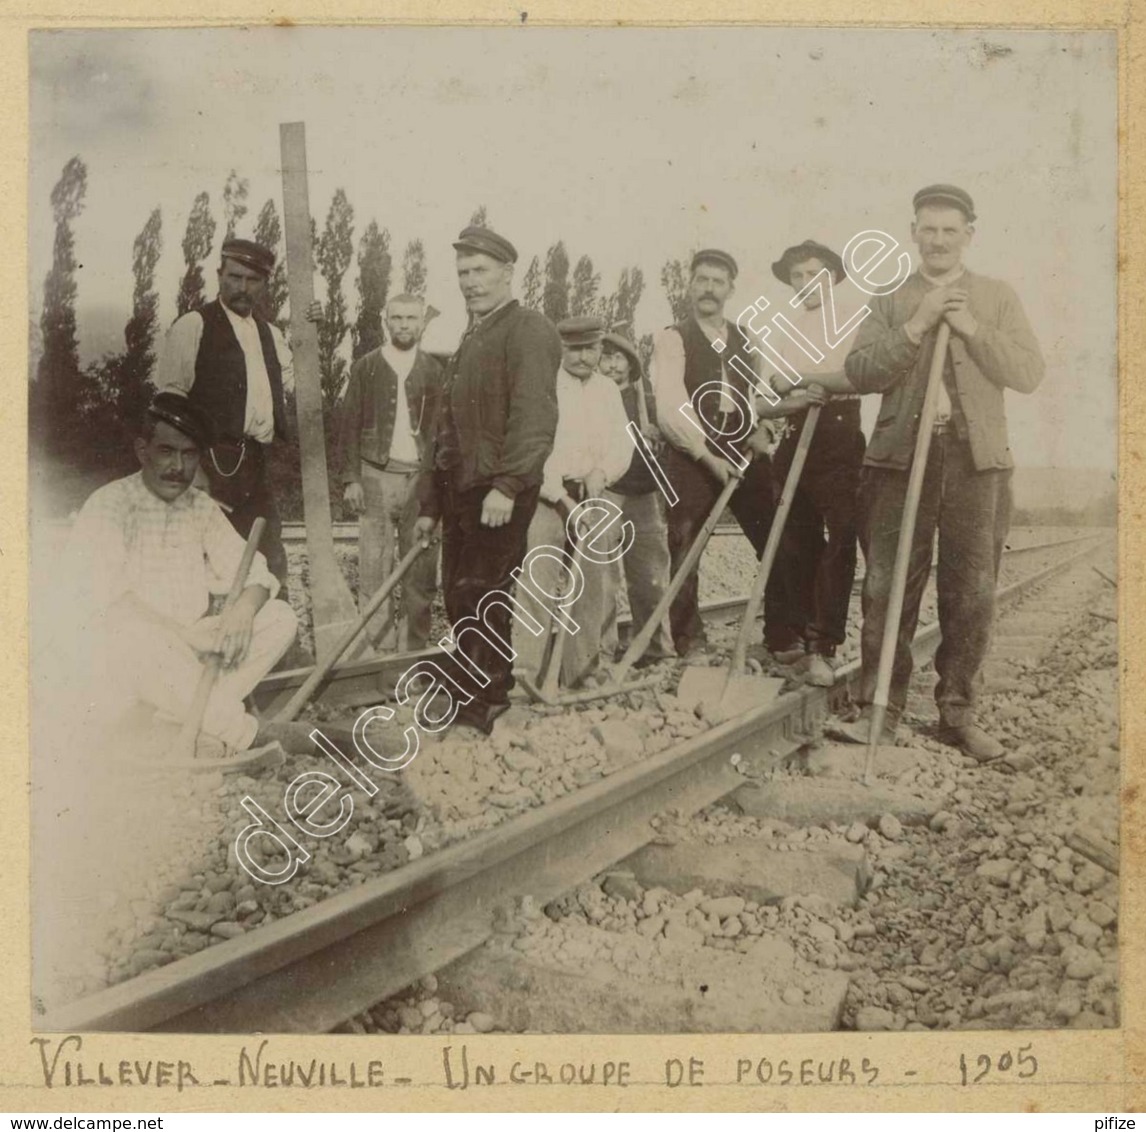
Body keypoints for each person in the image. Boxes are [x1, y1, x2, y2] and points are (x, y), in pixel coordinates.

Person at [836, 184, 1045, 761]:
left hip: (976, 464)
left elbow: (1029, 372)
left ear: (969, 235)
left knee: (971, 590)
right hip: (899, 461)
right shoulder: (890, 299)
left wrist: (973, 328)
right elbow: (860, 371)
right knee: (884, 587)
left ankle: (957, 713)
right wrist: (917, 324)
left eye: (950, 230)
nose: (938, 240)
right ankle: (880, 709)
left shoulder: (996, 297)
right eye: (928, 229)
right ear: (913, 233)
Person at [63, 392, 301, 760]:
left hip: (189, 649)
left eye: (189, 454)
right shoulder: (109, 506)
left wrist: (242, 611)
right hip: (130, 649)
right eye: (166, 452)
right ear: (143, 451)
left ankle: (181, 720)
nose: (178, 466)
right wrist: (185, 636)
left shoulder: (199, 507)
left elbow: (255, 571)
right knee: (137, 640)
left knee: (279, 617)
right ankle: (243, 734)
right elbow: (113, 605)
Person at [414, 226, 562, 735]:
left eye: (480, 271)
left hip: (496, 489)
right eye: (462, 273)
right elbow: (444, 431)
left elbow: (534, 417)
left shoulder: (528, 329)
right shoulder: (471, 337)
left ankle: (486, 701)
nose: (470, 282)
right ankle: (476, 688)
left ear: (507, 273)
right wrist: (430, 506)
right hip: (462, 488)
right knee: (458, 593)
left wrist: (508, 484)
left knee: (483, 590)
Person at [650, 248, 779, 658]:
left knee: (774, 534)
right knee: (685, 542)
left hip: (743, 447)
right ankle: (689, 640)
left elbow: (760, 393)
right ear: (689, 286)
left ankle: (782, 634)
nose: (709, 289)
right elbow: (670, 409)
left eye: (717, 282)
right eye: (701, 279)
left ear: (730, 289)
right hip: (693, 452)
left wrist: (763, 429)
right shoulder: (673, 338)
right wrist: (707, 457)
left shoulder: (748, 338)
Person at [756, 239, 867, 685]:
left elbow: (859, 377)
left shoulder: (855, 319)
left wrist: (804, 381)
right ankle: (799, 636)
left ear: (833, 277)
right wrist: (797, 395)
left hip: (840, 435)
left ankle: (824, 645)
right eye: (797, 276)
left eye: (813, 274)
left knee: (841, 540)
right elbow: (765, 398)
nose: (805, 284)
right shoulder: (785, 329)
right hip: (797, 433)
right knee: (795, 540)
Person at [156, 238, 293, 588]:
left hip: (255, 466)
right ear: (219, 275)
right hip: (208, 464)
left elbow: (293, 386)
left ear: (265, 284)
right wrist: (193, 468)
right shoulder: (194, 326)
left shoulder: (272, 335)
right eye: (234, 277)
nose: (242, 287)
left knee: (267, 561)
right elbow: (169, 405)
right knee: (205, 564)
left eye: (252, 280)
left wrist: (312, 329)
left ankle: (273, 640)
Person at [513, 316, 633, 689]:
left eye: (591, 348)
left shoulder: (608, 391)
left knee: (592, 585)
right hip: (548, 496)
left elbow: (622, 443)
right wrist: (560, 496)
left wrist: (603, 473)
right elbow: (533, 446)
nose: (583, 357)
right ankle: (526, 675)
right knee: (538, 581)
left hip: (593, 494)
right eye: (574, 349)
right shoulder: (544, 385)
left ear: (600, 349)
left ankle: (581, 671)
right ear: (560, 349)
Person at [339, 293, 443, 652]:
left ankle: (412, 652)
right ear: (386, 320)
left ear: (421, 323)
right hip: (375, 475)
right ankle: (379, 653)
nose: (403, 325)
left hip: (420, 479)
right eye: (397, 318)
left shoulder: (433, 370)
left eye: (411, 318)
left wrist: (436, 487)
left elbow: (441, 434)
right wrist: (351, 478)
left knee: (421, 570)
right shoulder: (366, 366)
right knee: (374, 566)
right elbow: (349, 425)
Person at [598, 331, 676, 666]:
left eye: (618, 358)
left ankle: (656, 650)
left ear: (632, 365)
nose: (611, 365)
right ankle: (598, 653)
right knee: (602, 578)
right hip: (606, 494)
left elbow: (674, 435)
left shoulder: (649, 401)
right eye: (605, 357)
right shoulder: (592, 398)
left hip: (644, 496)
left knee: (651, 576)